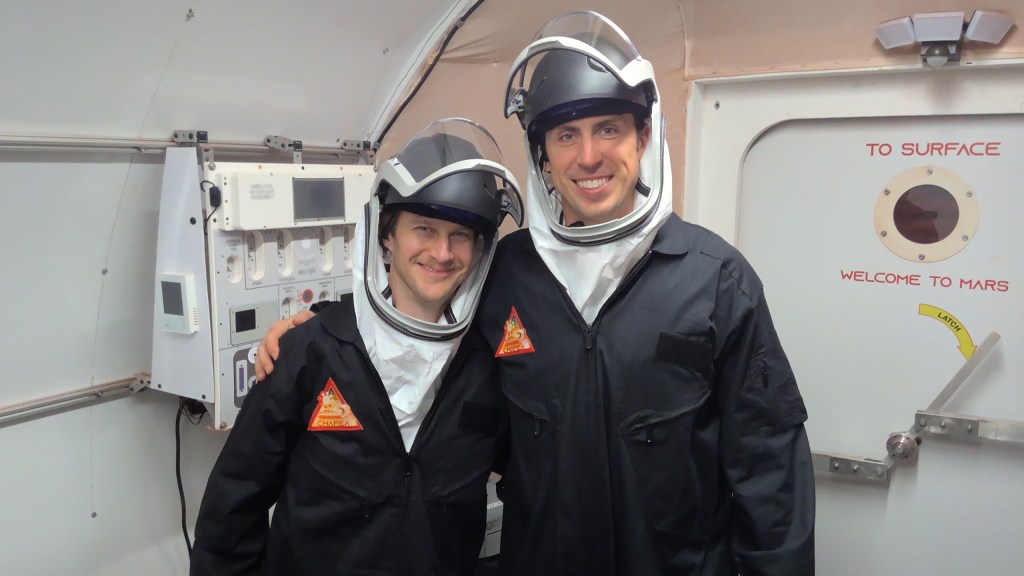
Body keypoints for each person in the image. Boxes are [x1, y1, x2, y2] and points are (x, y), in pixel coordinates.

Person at [258, 11, 814, 575]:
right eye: (566, 135)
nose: (588, 156)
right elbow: (426, 326)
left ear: (643, 136)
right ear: (542, 154)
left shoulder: (715, 279)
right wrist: (325, 326)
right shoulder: (507, 272)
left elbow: (770, 466)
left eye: (609, 129)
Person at [190, 118, 523, 576]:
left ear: (481, 248)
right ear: (387, 234)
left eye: (460, 235)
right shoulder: (311, 351)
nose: (442, 253)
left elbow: (535, 472)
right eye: (424, 229)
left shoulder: (489, 368)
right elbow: (232, 508)